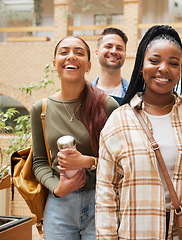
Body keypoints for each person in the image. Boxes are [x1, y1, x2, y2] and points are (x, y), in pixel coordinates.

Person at [96, 25, 182, 239]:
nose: (164, 68)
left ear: (181, 68)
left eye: (173, 63)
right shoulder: (118, 121)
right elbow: (106, 196)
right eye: (154, 61)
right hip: (136, 232)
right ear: (142, 66)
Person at [31, 36, 118, 240]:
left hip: (101, 202)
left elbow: (120, 163)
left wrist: (88, 162)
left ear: (88, 66)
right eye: (64, 52)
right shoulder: (41, 109)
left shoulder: (107, 106)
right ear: (55, 64)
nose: (71, 56)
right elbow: (40, 163)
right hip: (59, 206)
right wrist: (58, 188)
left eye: (79, 52)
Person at [92, 27, 129, 105]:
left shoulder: (135, 96)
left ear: (125, 55)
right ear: (96, 53)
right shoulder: (84, 95)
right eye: (108, 46)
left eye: (119, 48)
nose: (114, 51)